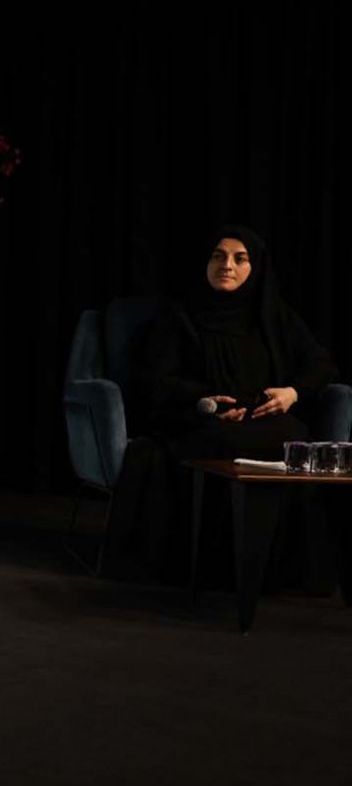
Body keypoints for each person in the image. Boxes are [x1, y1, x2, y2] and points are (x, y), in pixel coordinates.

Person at [118, 223, 340, 582]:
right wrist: (205, 403)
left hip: (264, 419)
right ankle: (215, 567)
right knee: (222, 442)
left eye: (240, 259)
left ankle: (275, 569)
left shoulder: (274, 316)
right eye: (218, 257)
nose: (227, 266)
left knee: (296, 440)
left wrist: (292, 393)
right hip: (201, 420)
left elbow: (322, 364)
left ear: (256, 267)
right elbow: (156, 380)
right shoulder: (179, 317)